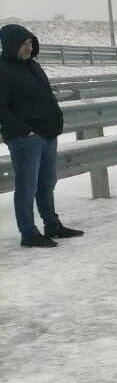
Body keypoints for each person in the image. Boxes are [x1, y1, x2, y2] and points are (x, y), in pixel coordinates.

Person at [0, 24, 84, 247]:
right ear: (11, 45)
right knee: (27, 185)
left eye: (30, 44)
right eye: (24, 44)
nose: (28, 48)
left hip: (47, 133)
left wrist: (55, 120)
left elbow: (46, 96)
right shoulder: (3, 69)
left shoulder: (33, 66)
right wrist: (23, 131)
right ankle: (28, 233)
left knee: (47, 182)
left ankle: (52, 225)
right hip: (25, 139)